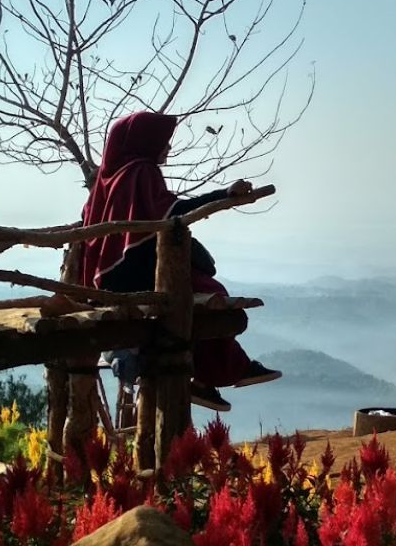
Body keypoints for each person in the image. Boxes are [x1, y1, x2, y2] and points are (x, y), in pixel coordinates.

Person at [79, 111, 281, 412]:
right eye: (163, 141)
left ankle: (210, 377)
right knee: (209, 295)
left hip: (110, 277)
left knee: (200, 294)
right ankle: (224, 371)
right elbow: (172, 211)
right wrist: (224, 193)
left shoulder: (110, 178)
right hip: (133, 274)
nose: (168, 148)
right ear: (146, 142)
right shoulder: (141, 171)